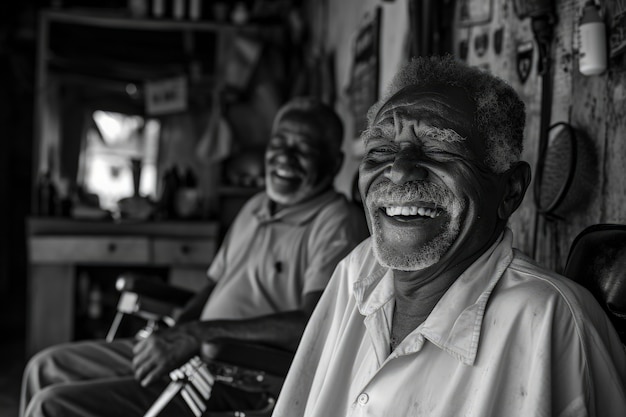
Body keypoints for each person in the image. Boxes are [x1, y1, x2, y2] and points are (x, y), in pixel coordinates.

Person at [272, 56, 626, 417]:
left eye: (439, 148)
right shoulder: (358, 270)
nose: (397, 172)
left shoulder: (551, 321)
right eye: (381, 149)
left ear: (510, 191)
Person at [20, 97, 369, 417]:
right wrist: (177, 332)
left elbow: (314, 325)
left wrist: (197, 335)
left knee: (52, 406)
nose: (284, 156)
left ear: (334, 162)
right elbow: (213, 287)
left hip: (240, 375)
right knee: (44, 368)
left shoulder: (335, 222)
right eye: (278, 144)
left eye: (303, 149)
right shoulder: (255, 207)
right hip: (193, 350)